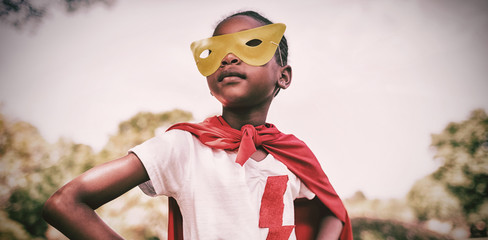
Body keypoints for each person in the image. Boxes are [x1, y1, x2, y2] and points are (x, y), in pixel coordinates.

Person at [42, 10, 352, 240]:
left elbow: (333, 212)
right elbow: (66, 202)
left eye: (251, 45)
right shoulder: (183, 147)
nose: (228, 58)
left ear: (283, 76)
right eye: (216, 52)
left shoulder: (291, 154)